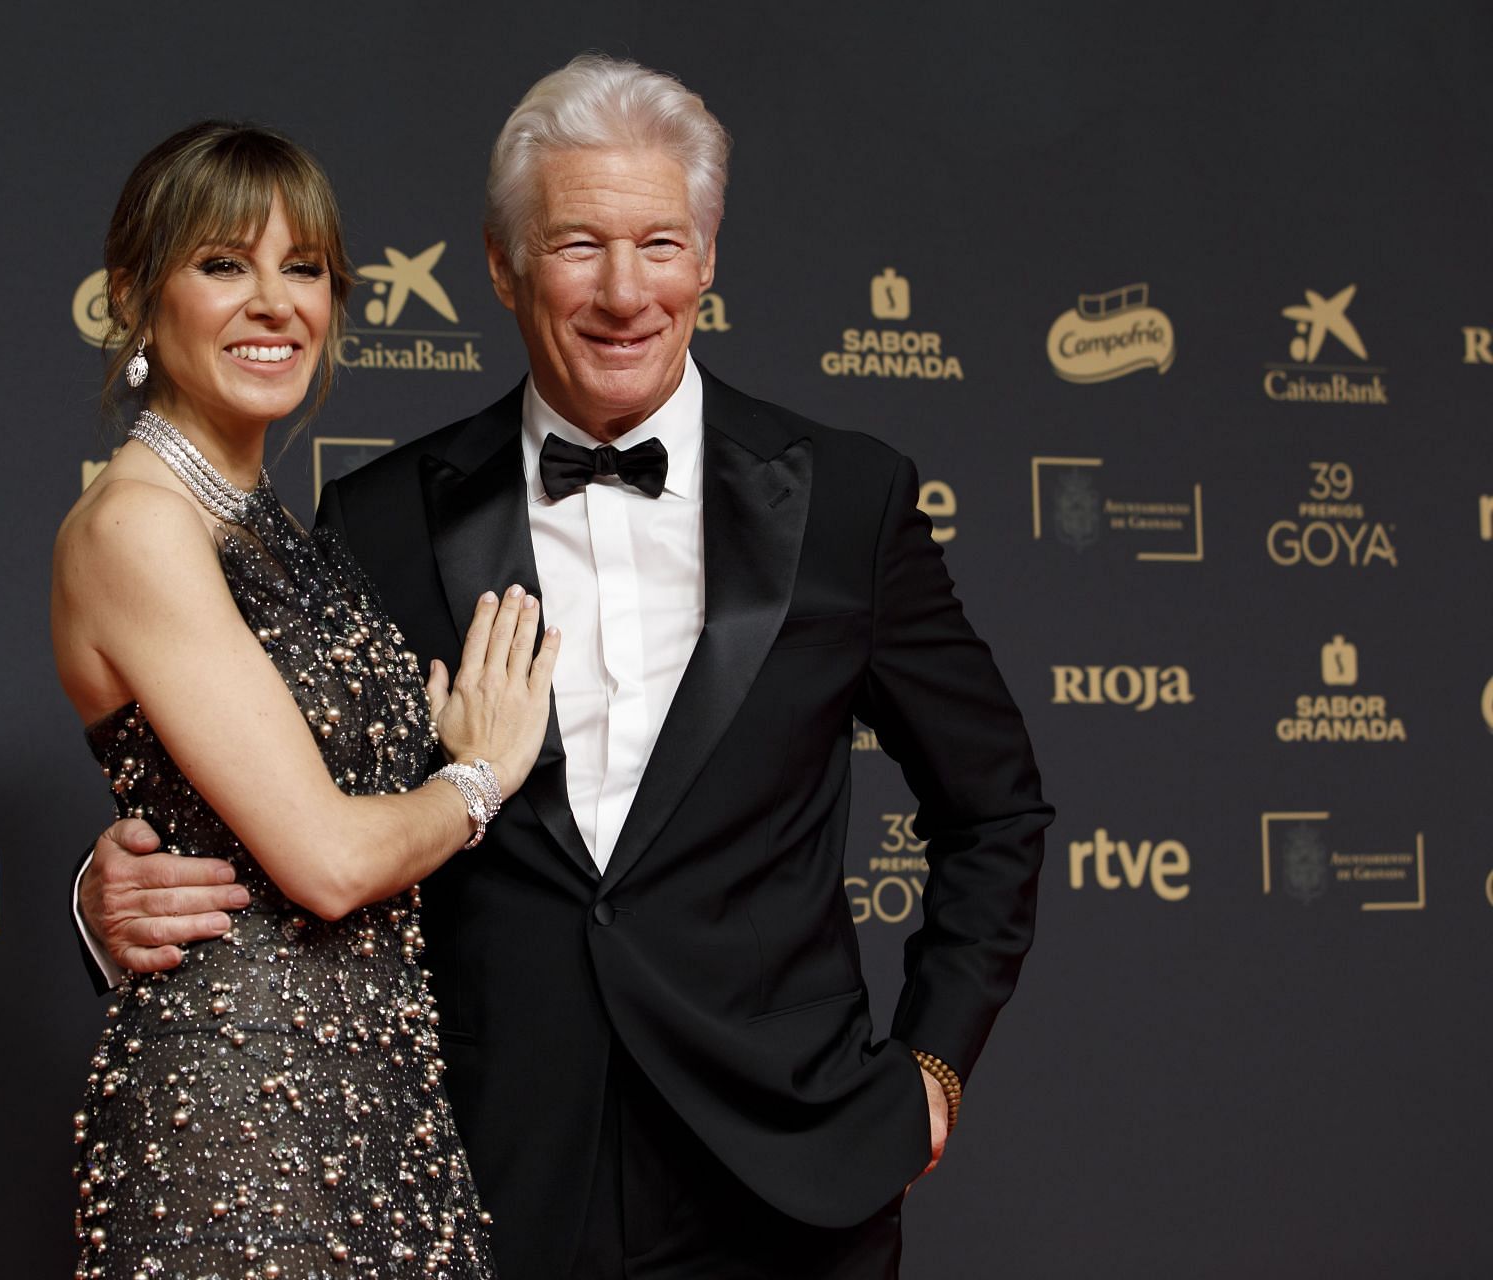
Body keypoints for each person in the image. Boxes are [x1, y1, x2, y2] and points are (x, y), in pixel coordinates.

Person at [78, 58, 1052, 1280]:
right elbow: (287, 792)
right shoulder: (376, 520)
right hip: (487, 1174)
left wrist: (935, 1064)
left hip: (789, 1168)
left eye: (661, 241)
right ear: (503, 265)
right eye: (579, 244)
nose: (624, 290)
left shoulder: (850, 498)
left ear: (707, 259)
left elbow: (998, 804)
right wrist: (108, 890)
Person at [51, 121, 562, 1280]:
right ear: (134, 296)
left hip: (389, 1118)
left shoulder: (284, 525)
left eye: (306, 268)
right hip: (243, 1135)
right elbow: (326, 857)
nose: (274, 302)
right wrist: (478, 774)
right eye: (224, 263)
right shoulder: (139, 524)